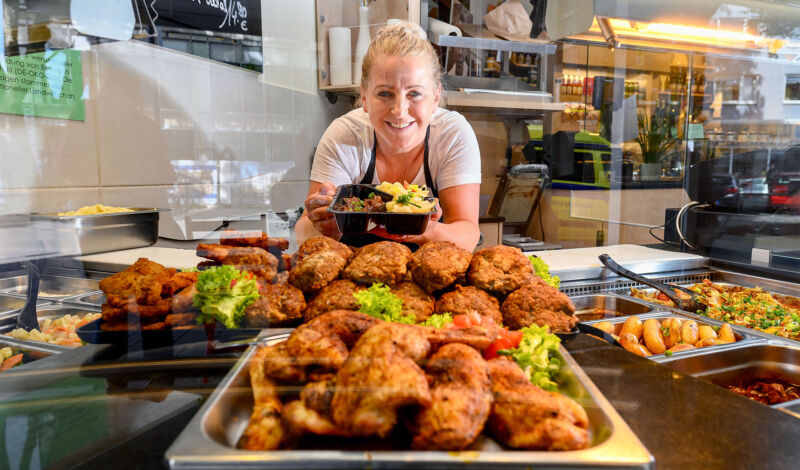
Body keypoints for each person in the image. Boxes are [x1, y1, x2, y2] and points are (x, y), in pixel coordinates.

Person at [295, 22, 481, 251]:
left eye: (414, 93)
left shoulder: (452, 135)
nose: (399, 110)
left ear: (435, 98)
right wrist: (323, 227)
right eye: (384, 93)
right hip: (355, 280)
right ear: (363, 96)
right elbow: (304, 231)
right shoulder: (345, 136)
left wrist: (427, 230)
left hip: (429, 278)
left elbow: (468, 235)